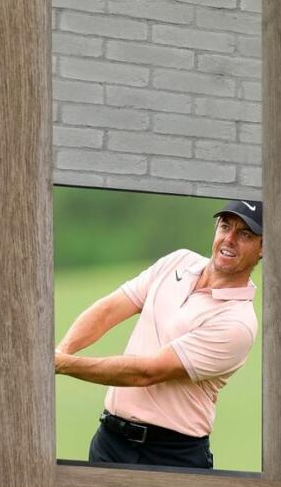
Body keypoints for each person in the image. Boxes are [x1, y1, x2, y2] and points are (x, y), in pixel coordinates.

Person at [54, 198, 263, 471]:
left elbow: (147, 373)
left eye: (245, 234)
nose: (230, 239)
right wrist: (62, 350)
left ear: (263, 248)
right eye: (225, 226)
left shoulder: (237, 323)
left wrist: (61, 364)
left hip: (169, 456)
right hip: (109, 441)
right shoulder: (179, 261)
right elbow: (108, 310)